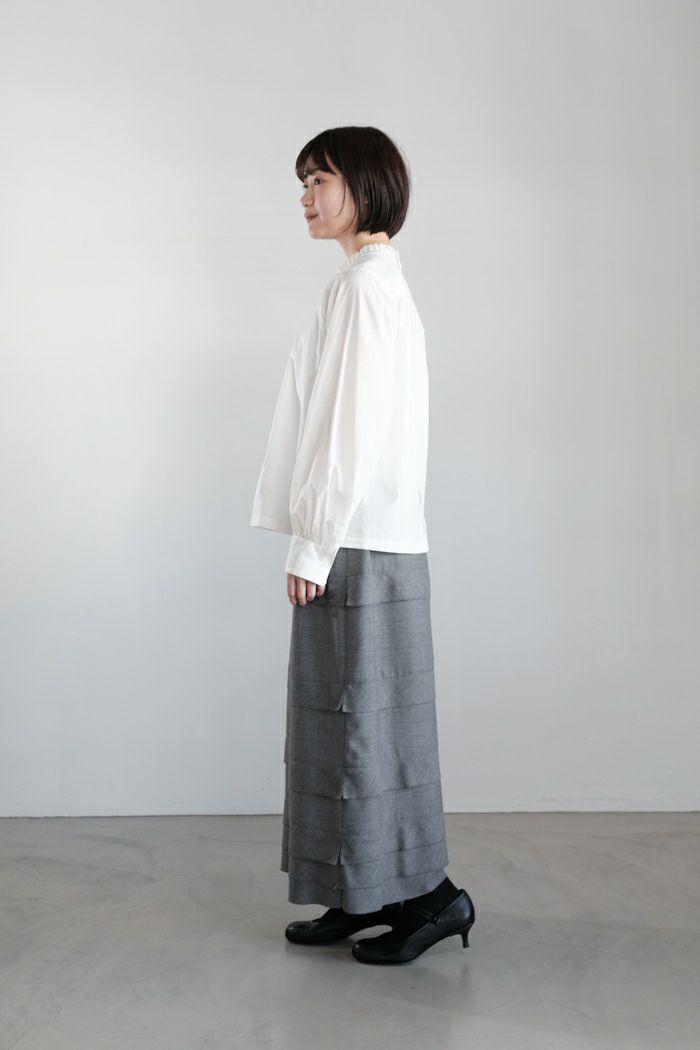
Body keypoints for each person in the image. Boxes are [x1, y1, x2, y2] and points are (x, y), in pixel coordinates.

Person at [249, 125, 475, 964]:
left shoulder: (364, 290)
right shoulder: (371, 284)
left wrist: (313, 546)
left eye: (321, 178)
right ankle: (362, 891)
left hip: (357, 543)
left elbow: (346, 431)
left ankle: (433, 900)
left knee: (361, 731)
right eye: (303, 181)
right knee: (349, 727)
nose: (306, 196)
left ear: (365, 185)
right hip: (375, 538)